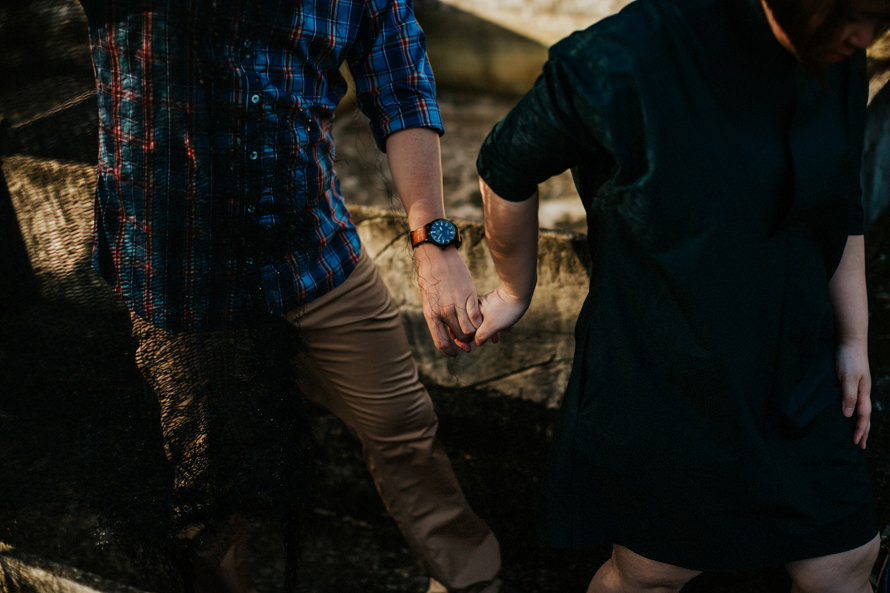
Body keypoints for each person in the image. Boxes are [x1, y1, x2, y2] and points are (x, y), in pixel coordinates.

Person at [76, 1, 503, 592]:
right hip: (183, 283)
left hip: (317, 259)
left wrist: (433, 240)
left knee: (403, 426)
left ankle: (471, 580)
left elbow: (402, 87)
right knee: (206, 481)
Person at [463, 0, 890, 591]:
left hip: (798, 370)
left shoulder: (837, 48)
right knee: (652, 573)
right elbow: (505, 164)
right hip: (670, 376)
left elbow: (841, 198)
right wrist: (514, 289)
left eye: (880, 18)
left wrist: (853, 339)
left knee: (843, 561)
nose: (865, 36)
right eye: (854, 15)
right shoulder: (622, 56)